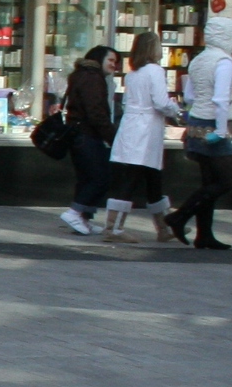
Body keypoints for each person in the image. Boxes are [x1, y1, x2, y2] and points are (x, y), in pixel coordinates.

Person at [166, 16, 232, 250]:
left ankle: (204, 235)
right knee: (224, 182)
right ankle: (179, 217)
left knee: (209, 181)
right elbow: (221, 98)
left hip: (196, 123)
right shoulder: (224, 62)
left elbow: (188, 96)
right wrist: (220, 129)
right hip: (213, 126)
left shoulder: (198, 60)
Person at [101, 30, 177, 243]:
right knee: (136, 176)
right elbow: (161, 102)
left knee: (150, 178)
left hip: (131, 127)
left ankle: (164, 227)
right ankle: (113, 228)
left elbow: (128, 103)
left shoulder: (132, 74)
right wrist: (175, 109)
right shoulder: (155, 71)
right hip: (147, 130)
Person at [58, 45, 120, 236]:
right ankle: (75, 212)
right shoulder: (93, 78)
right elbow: (96, 113)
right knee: (99, 177)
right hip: (87, 134)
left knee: (86, 177)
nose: (114, 65)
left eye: (115, 62)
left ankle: (83, 218)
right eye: (110, 60)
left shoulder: (81, 74)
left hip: (78, 134)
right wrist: (112, 136)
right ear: (99, 59)